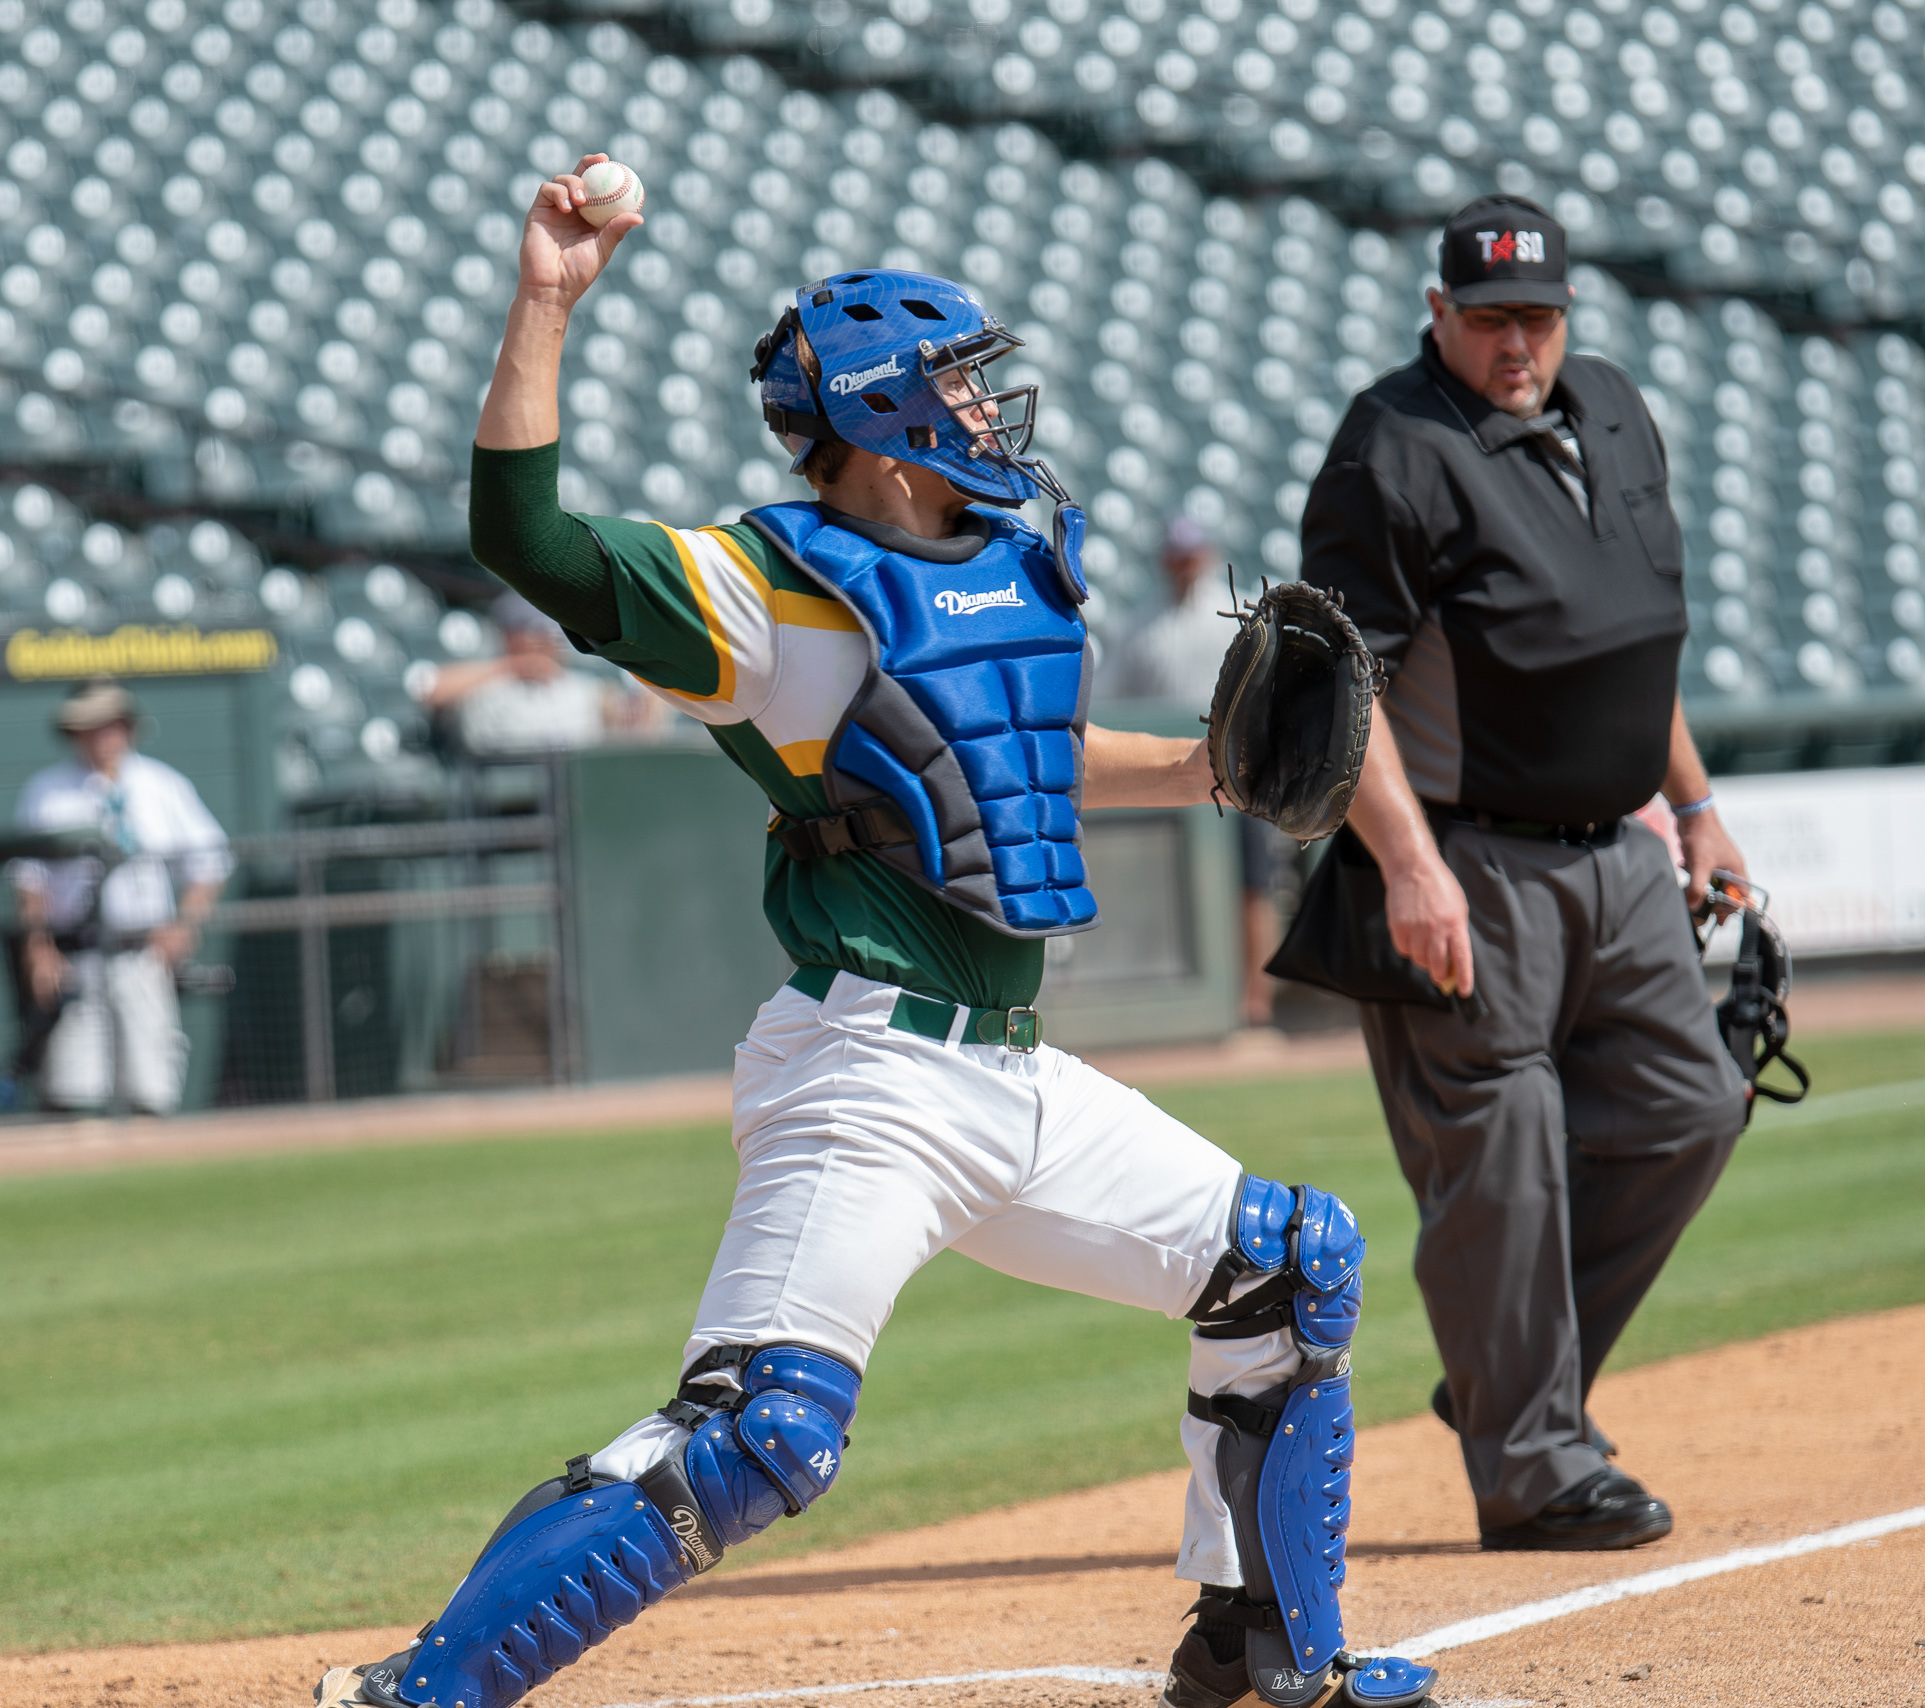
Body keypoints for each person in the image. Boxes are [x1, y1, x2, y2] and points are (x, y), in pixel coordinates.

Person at [312, 158, 1436, 1708]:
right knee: (764, 1431)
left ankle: (1266, 1650)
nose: (989, 407)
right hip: (869, 1080)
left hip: (1017, 1079)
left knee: (1290, 1266)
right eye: (961, 384)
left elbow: (1014, 754)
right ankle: (420, 1693)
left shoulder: (1010, 565)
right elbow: (529, 539)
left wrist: (1202, 771)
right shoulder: (767, 588)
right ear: (888, 421)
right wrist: (547, 304)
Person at [1298, 194, 1751, 1552]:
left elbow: (1632, 638)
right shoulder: (1391, 449)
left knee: (1691, 1108)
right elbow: (1340, 688)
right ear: (1437, 313)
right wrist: (1408, 866)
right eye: (1490, 319)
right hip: (1470, 861)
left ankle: (1507, 1382)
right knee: (1499, 1163)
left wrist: (1698, 807)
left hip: (1622, 849)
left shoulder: (1608, 405)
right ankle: (1533, 1467)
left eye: (1538, 319)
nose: (1517, 345)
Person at [8, 677, 231, 1116]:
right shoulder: (46, 790)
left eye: (110, 724)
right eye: (90, 725)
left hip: (141, 952)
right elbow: (30, 881)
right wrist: (38, 948)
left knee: (151, 1089)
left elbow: (211, 861)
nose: (101, 735)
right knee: (72, 1092)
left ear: (128, 727)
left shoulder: (161, 784)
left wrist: (184, 924)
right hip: (75, 955)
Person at [1105, 516, 1290, 1032]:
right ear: (1165, 558)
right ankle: (1186, 1008)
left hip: (1240, 767)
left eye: (1191, 553)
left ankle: (1255, 1005)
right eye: (1177, 554)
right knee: (1181, 890)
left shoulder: (1237, 615)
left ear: (1206, 554)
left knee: (1253, 886)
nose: (1184, 563)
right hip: (1170, 770)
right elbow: (1114, 703)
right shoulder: (1141, 626)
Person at [423, 590, 660, 753]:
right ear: (508, 635)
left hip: (574, 794)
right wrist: (514, 666)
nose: (546, 640)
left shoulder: (584, 689)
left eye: (552, 632)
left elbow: (634, 730)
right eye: (534, 632)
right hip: (498, 797)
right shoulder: (482, 683)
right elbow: (427, 689)